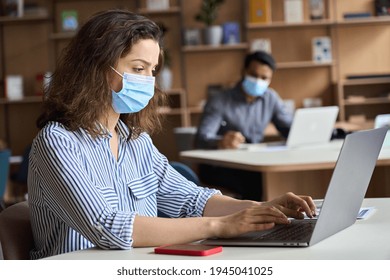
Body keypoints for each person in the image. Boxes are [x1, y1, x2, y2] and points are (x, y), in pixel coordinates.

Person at [27, 10, 316, 260]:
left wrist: (264, 209)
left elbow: (193, 199)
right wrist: (222, 225)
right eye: (138, 68)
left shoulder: (136, 142)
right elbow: (107, 228)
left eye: (152, 70)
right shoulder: (57, 141)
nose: (147, 81)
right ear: (96, 68)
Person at [195, 51, 293, 201]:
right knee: (256, 182)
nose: (258, 81)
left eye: (264, 78)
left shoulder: (270, 98)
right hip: (223, 166)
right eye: (253, 75)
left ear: (270, 79)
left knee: (282, 177)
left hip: (255, 163)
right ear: (243, 71)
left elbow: (288, 128)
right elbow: (201, 138)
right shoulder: (220, 100)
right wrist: (221, 141)